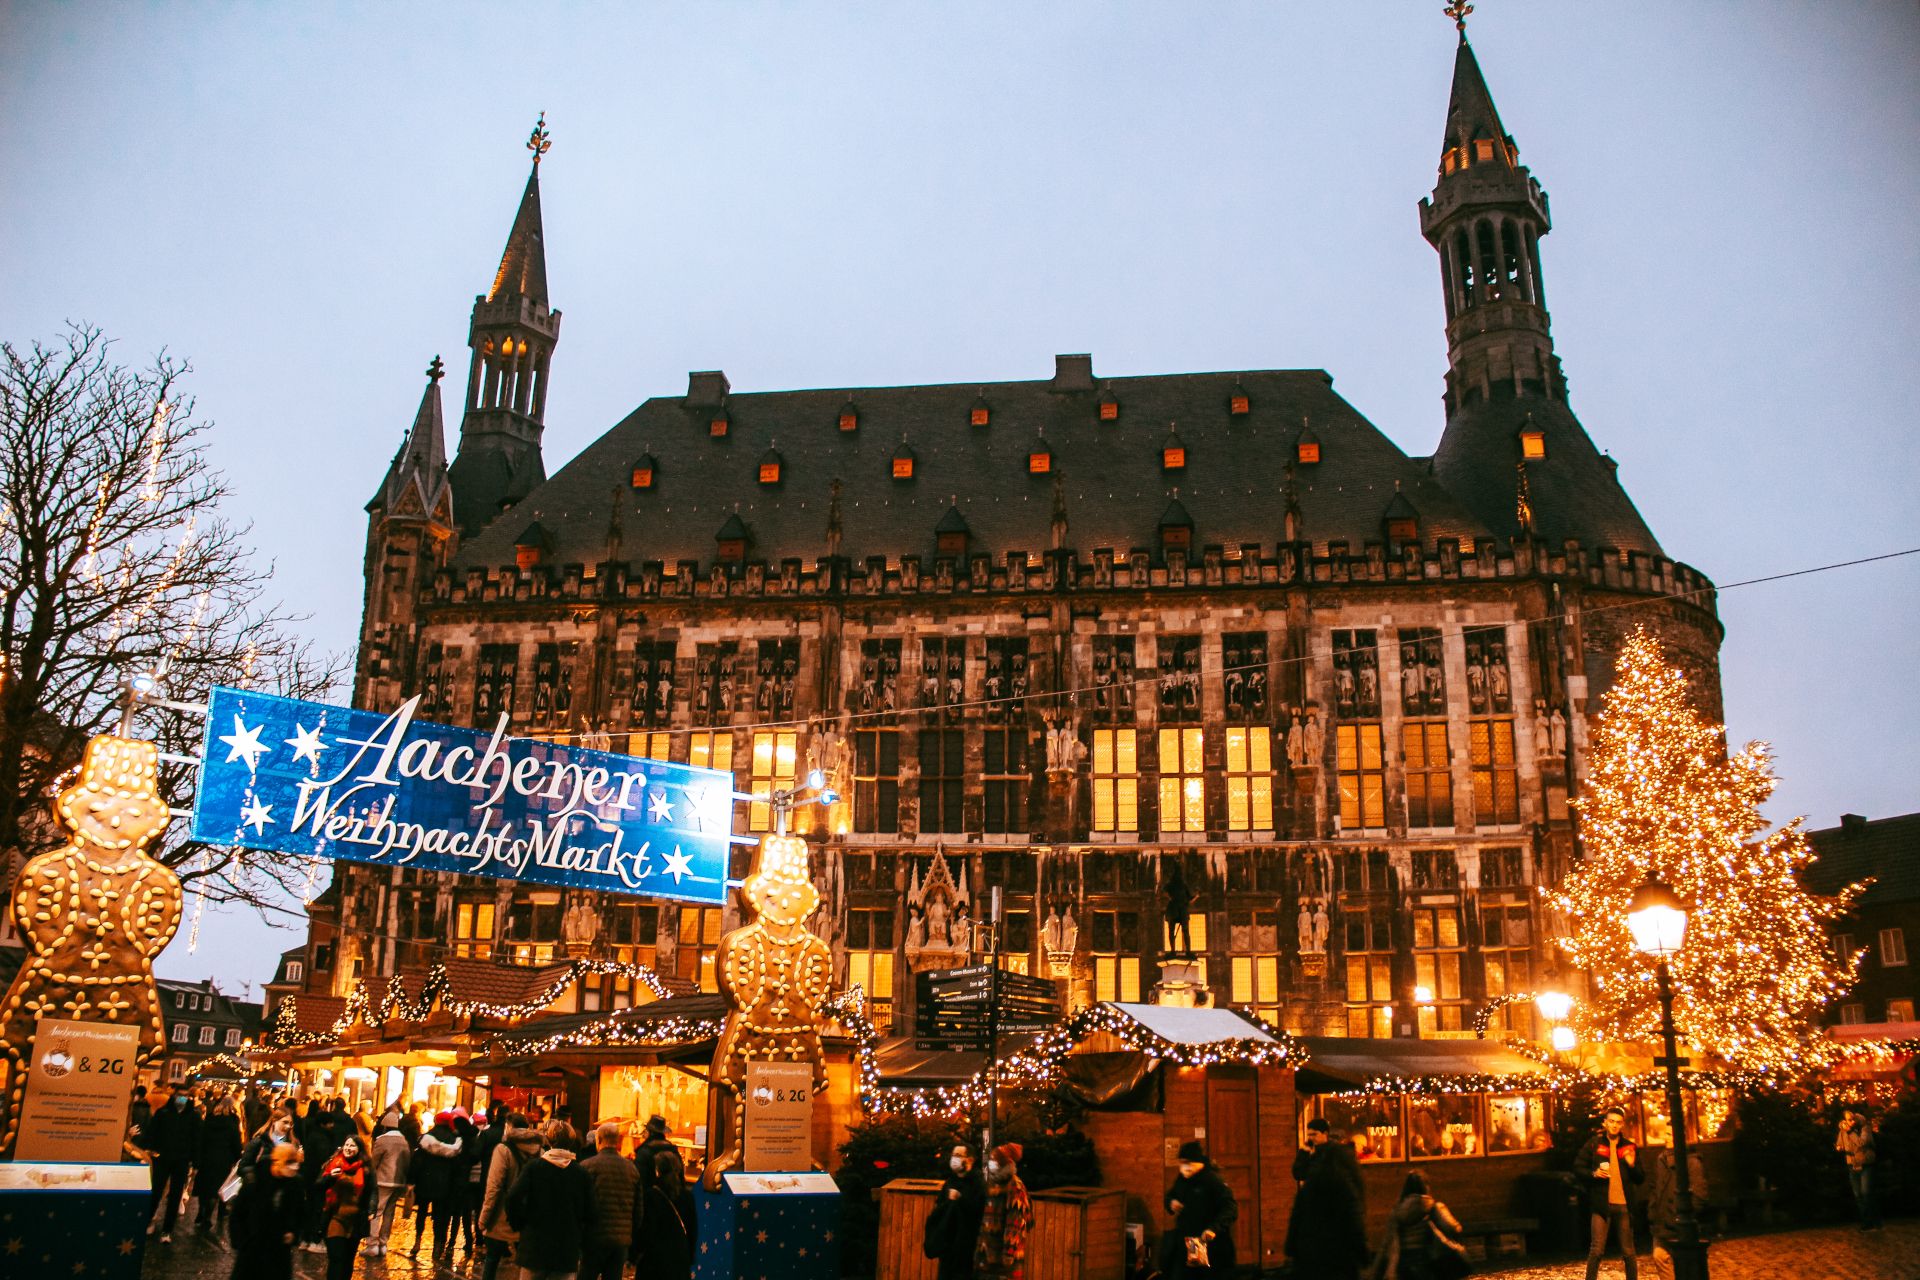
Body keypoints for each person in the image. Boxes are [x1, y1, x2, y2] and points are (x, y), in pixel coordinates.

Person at [506, 1119, 594, 1280]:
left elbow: (513, 1197)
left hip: (535, 1245)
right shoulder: (581, 1173)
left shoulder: (534, 1168)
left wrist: (519, 1223)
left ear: (549, 1140)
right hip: (566, 1246)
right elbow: (590, 1211)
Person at [1285, 1118, 1368, 1280]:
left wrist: (1292, 1247)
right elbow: (1298, 1173)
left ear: (1325, 1134)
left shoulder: (1332, 1156)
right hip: (1333, 1247)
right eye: (1309, 1135)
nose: (1311, 1138)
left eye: (1314, 1134)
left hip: (1326, 1243)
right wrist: (1302, 1153)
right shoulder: (1312, 1153)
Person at [1574, 1106, 1645, 1280]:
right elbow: (1578, 1167)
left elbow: (1640, 1178)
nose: (1614, 1125)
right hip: (1601, 1206)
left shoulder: (1629, 1146)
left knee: (1628, 1252)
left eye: (1618, 1122)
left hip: (1623, 1206)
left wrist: (1631, 1165)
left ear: (1622, 1125)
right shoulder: (1594, 1144)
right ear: (1605, 1123)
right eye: (1611, 1121)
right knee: (1597, 1250)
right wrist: (1594, 1174)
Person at [229, 1141, 305, 1280]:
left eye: (295, 1162)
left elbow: (300, 1212)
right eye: (289, 1162)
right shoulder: (255, 1180)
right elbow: (237, 1213)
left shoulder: (296, 1183)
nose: (293, 1167)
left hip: (279, 1250)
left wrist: (293, 1233)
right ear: (276, 1162)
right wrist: (242, 1242)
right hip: (253, 1248)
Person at [1370, 1171, 1466, 1280]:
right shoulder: (1432, 1207)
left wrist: (1374, 1273)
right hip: (1426, 1261)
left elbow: (1386, 1243)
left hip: (1402, 1265)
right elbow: (1453, 1228)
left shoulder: (1396, 1211)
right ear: (1425, 1186)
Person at [478, 1113, 541, 1280]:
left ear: (509, 1127)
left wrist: (483, 1219)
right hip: (528, 1218)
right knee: (526, 1268)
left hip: (501, 1218)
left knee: (491, 1262)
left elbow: (494, 1188)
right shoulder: (539, 1151)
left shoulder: (503, 1150)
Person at [580, 1120, 644, 1280]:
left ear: (599, 1140)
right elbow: (638, 1210)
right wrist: (630, 1233)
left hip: (593, 1237)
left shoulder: (587, 1166)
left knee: (587, 1275)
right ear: (618, 1141)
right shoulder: (631, 1169)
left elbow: (580, 1204)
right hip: (620, 1240)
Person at [1163, 1140, 1236, 1277]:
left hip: (1209, 1243)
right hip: (1189, 1240)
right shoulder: (1183, 1179)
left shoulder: (1212, 1180)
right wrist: (1171, 1203)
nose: (1183, 1166)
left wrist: (1213, 1229)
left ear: (1196, 1162)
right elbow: (1170, 1195)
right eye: (1181, 1162)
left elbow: (1230, 1208)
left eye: (1186, 1162)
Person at [141, 1088, 202, 1244]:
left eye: (185, 1096)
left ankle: (167, 1229)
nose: (182, 1098)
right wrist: (151, 1149)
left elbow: (197, 1141)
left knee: (175, 1195)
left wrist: (195, 1163)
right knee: (156, 1191)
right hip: (162, 1158)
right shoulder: (163, 1113)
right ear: (174, 1097)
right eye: (179, 1095)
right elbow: (152, 1132)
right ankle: (149, 1221)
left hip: (181, 1160)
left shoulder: (194, 1117)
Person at [1646, 1135, 1709, 1280]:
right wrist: (1652, 1211)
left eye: (1671, 1134)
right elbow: (1656, 1187)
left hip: (1679, 1222)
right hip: (1663, 1221)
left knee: (1681, 1263)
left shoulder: (1692, 1162)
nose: (1667, 1138)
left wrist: (1684, 1215)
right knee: (1660, 1257)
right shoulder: (1662, 1159)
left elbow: (1700, 1195)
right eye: (1666, 1134)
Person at [924, 1141, 986, 1280]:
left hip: (966, 1249)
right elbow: (939, 1208)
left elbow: (977, 1212)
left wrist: (960, 1200)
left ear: (970, 1159)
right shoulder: (950, 1182)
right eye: (954, 1155)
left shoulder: (977, 1183)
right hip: (947, 1248)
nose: (955, 1159)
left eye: (959, 1155)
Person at [974, 1142, 1033, 1280]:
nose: (991, 1162)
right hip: (989, 1257)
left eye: (995, 1159)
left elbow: (1016, 1224)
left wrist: (1008, 1254)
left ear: (1004, 1163)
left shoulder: (1014, 1187)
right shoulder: (995, 1183)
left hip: (1003, 1262)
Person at [638, 1149, 698, 1280]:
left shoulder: (652, 1196)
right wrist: (690, 1255)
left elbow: (647, 1229)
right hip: (680, 1256)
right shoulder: (687, 1196)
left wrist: (636, 1254)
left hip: (655, 1260)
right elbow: (692, 1229)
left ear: (657, 1170)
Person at [414, 1108, 465, 1264]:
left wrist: (412, 1181)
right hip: (444, 1184)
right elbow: (457, 1166)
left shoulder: (425, 1139)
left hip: (424, 1182)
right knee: (440, 1216)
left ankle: (417, 1240)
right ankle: (437, 1246)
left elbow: (416, 1162)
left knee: (421, 1212)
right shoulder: (454, 1141)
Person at [317, 1134, 370, 1280]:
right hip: (335, 1217)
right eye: (346, 1145)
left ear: (359, 1149)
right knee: (336, 1257)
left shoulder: (365, 1168)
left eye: (352, 1145)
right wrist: (330, 1178)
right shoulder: (334, 1163)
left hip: (355, 1220)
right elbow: (318, 1185)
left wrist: (371, 1210)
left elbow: (372, 1190)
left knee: (348, 1260)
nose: (348, 1148)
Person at [193, 1094, 245, 1231]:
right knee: (215, 1190)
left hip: (207, 1158)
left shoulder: (209, 1121)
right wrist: (237, 1158)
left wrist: (197, 1159)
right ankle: (208, 1217)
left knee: (204, 1188)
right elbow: (236, 1144)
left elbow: (200, 1141)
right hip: (223, 1160)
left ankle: (200, 1211)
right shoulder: (233, 1123)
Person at [368, 1110, 412, 1258]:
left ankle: (373, 1244)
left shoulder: (382, 1140)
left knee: (376, 1212)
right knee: (389, 1213)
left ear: (385, 1127)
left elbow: (374, 1162)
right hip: (398, 1182)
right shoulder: (404, 1141)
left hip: (382, 1181)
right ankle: (383, 1243)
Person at [1835, 1110, 1880, 1231]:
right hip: (1852, 1164)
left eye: (1853, 1119)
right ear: (1845, 1120)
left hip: (1866, 1163)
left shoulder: (1864, 1128)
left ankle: (1872, 1222)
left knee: (1866, 1193)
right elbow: (1840, 1143)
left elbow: (1862, 1143)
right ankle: (1867, 1222)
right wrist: (1839, 1147)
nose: (1852, 1121)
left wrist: (1850, 1132)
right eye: (1849, 1120)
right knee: (1858, 1195)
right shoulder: (1843, 1131)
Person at [633, 1113, 675, 1198]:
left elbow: (640, 1181)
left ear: (650, 1132)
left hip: (649, 1200)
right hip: (670, 1198)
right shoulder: (672, 1149)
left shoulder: (644, 1151)